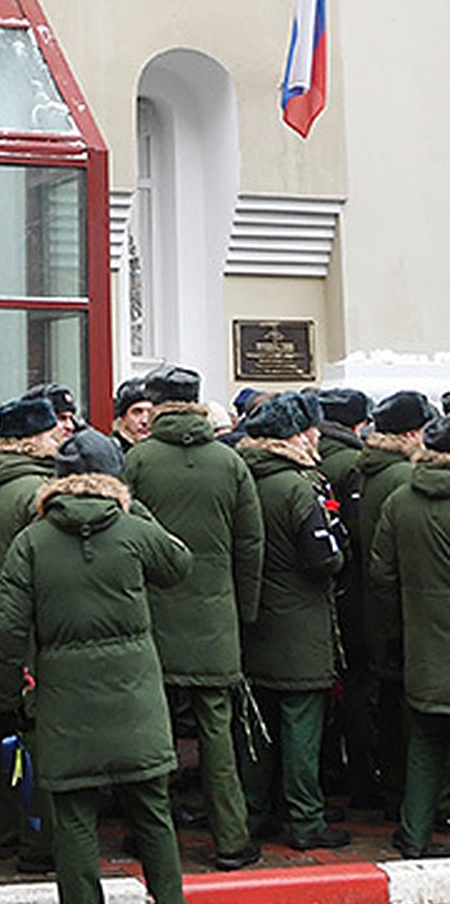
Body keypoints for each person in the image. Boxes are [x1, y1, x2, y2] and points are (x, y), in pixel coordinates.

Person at [0, 428, 194, 904]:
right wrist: (134, 509)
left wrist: (4, 696)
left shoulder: (31, 541)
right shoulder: (131, 529)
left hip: (64, 698)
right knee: (152, 811)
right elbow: (179, 564)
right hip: (135, 696)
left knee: (74, 820)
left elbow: (7, 630)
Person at [124, 365, 264, 871]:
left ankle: (149, 836)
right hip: (215, 617)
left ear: (157, 405)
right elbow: (251, 545)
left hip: (152, 616)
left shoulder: (137, 461)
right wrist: (243, 611)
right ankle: (230, 837)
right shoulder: (229, 464)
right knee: (217, 732)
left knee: (152, 730)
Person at [236, 391, 349, 849]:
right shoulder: (300, 487)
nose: (318, 436)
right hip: (300, 627)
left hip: (256, 622)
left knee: (258, 731)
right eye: (311, 429)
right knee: (302, 726)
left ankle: (253, 811)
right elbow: (324, 558)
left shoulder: (245, 478)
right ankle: (306, 820)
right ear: (295, 435)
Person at [0, 396, 64, 870]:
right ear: (31, 438)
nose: (58, 438)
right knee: (36, 738)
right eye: (51, 432)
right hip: (30, 632)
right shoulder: (36, 493)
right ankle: (38, 840)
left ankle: (2, 830)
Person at [371, 416, 450, 857]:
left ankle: (413, 834)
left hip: (421, 645)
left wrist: (397, 633)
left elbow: (381, 576)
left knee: (424, 741)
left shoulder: (401, 501)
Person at [358, 389, 437, 820]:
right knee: (415, 723)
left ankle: (398, 796)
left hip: (381, 611)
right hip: (411, 619)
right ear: (410, 432)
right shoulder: (403, 482)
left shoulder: (371, 471)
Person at [315, 387, 375, 808]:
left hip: (319, 594)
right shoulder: (351, 465)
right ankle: (358, 776)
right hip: (350, 591)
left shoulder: (314, 457)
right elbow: (355, 535)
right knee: (357, 685)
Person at [110, 378, 152, 452]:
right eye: (137, 412)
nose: (145, 421)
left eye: (151, 413)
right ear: (123, 418)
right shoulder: (111, 453)